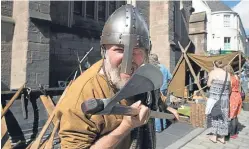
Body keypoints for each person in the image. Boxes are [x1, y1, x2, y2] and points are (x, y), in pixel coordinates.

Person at [56, 4, 158, 149]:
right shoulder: (83, 95)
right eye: (119, 50)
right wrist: (126, 126)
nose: (128, 61)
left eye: (137, 51)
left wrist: (165, 108)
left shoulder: (142, 78)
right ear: (104, 52)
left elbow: (154, 96)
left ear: (146, 54)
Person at [149, 54, 179, 132]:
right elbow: (170, 77)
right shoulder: (163, 67)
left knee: (157, 107)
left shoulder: (153, 68)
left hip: (158, 89)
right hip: (164, 88)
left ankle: (158, 128)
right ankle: (164, 125)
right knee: (163, 106)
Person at [205, 60, 231, 144]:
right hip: (224, 99)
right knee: (223, 117)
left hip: (214, 99)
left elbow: (208, 84)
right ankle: (222, 138)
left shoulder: (212, 72)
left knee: (214, 116)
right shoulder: (228, 74)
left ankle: (214, 136)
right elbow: (229, 88)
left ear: (214, 65)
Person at [226, 65, 242, 139]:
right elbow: (239, 86)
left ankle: (232, 133)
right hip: (238, 95)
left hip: (233, 96)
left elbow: (229, 90)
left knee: (232, 116)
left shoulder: (230, 78)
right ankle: (235, 132)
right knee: (235, 115)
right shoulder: (236, 76)